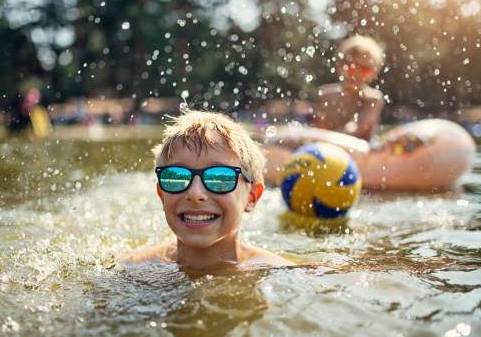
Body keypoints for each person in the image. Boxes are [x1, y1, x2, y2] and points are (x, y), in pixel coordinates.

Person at [125, 110, 294, 269]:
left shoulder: (278, 272)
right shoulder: (134, 268)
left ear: (252, 197)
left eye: (219, 178)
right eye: (178, 177)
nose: (195, 193)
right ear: (162, 195)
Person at [314, 35, 385, 141]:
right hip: (329, 147)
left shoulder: (373, 99)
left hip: (359, 152)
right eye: (352, 67)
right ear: (340, 66)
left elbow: (355, 128)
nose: (358, 73)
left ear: (373, 74)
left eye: (365, 69)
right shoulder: (325, 95)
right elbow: (319, 131)